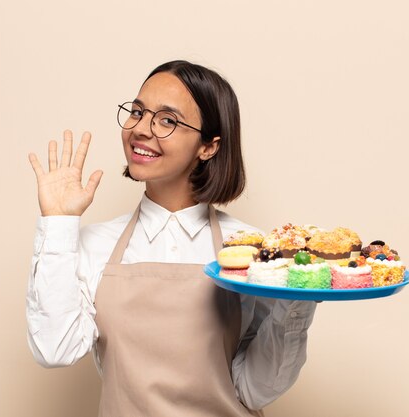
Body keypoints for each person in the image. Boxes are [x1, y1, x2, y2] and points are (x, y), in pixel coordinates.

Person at [26, 60, 317, 417]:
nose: (141, 130)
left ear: (208, 146)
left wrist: (300, 298)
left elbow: (254, 389)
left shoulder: (248, 250)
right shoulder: (94, 244)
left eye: (167, 120)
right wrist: (58, 223)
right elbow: (55, 349)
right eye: (137, 112)